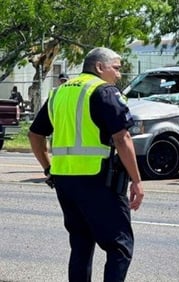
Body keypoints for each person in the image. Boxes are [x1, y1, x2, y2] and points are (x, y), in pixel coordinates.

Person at [28, 47, 144, 281]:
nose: (119, 75)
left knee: (81, 244)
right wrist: (137, 181)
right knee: (119, 247)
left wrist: (48, 168)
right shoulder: (103, 90)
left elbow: (35, 135)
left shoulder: (58, 92)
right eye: (117, 68)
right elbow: (123, 138)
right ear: (100, 67)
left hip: (64, 181)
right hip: (98, 179)